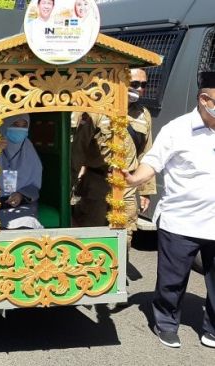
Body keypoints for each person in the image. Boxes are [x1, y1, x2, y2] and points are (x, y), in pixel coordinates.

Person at [123, 71, 215, 349]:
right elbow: (153, 161)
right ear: (204, 99)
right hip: (181, 221)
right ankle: (166, 323)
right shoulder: (177, 129)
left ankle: (212, 327)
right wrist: (134, 180)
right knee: (172, 282)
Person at [71, 68, 157, 250]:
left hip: (127, 185)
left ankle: (118, 276)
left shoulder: (143, 114)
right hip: (97, 184)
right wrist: (68, 188)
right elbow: (77, 152)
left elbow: (147, 154)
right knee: (92, 237)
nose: (140, 89)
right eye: (134, 84)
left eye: (143, 85)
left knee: (124, 236)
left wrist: (145, 191)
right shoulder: (96, 111)